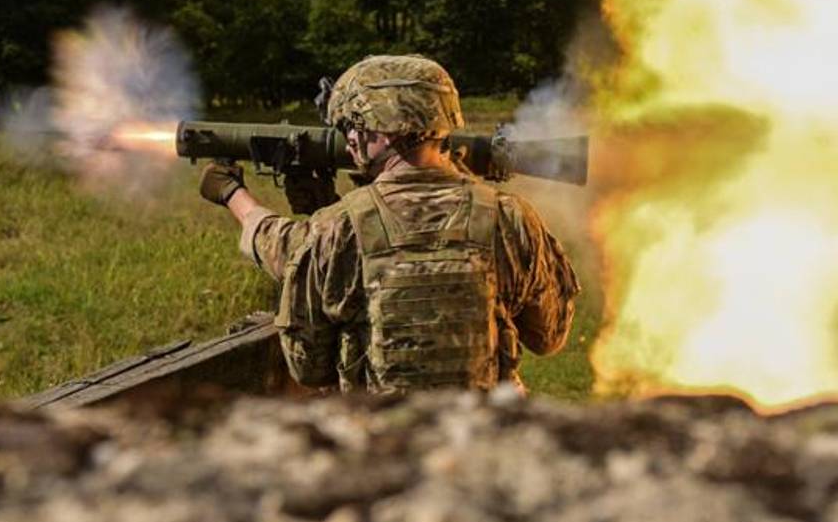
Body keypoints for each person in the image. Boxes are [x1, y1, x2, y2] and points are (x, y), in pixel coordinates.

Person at [198, 54, 579, 393]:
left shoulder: (337, 227)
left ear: (377, 131)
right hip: (487, 442)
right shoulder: (510, 218)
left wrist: (235, 195)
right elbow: (549, 336)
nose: (347, 139)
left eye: (352, 125)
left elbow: (308, 368)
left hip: (387, 446)